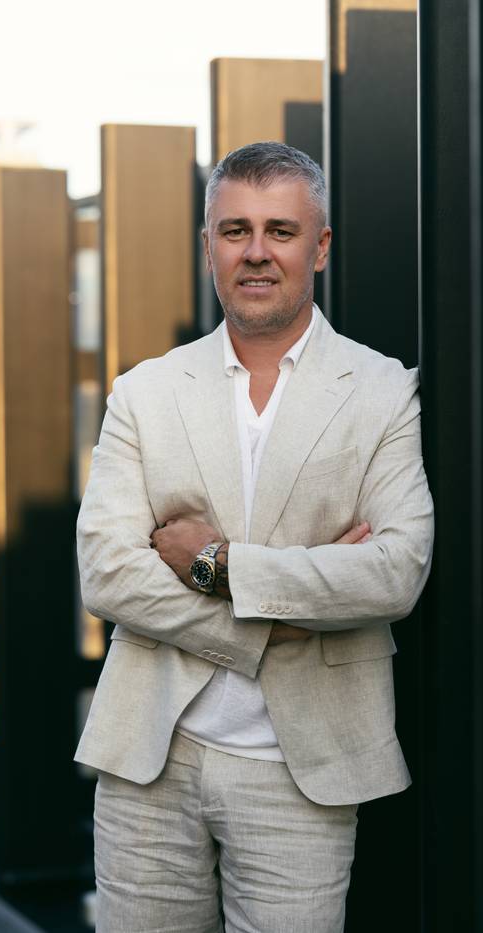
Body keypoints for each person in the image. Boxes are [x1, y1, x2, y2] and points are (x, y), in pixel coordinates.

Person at [75, 141, 434, 933]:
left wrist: (213, 563)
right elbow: (106, 572)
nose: (257, 252)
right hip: (148, 764)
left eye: (281, 230)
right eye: (235, 230)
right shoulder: (145, 392)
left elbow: (395, 571)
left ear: (321, 246)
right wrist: (284, 613)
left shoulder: (383, 390)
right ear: (209, 245)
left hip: (302, 772)